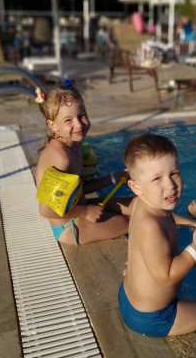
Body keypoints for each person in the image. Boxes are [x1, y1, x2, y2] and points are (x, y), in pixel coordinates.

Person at [119, 133, 196, 345]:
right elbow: (166, 277)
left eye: (174, 173)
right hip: (151, 318)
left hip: (129, 298)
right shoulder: (151, 226)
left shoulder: (143, 205)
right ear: (136, 187)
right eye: (157, 178)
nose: (170, 185)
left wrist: (192, 222)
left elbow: (167, 219)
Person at [35, 81, 133, 245]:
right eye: (68, 120)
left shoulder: (76, 145)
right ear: (53, 125)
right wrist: (85, 211)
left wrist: (112, 178)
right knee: (135, 222)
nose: (79, 124)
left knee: (137, 206)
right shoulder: (61, 158)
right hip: (70, 226)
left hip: (79, 209)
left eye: (81, 115)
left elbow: (79, 189)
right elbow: (46, 210)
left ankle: (181, 223)